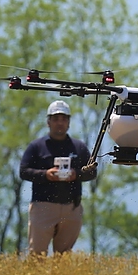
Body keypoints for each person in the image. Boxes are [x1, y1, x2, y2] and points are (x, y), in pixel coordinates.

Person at [19, 100, 97, 255]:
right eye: (55, 119)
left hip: (71, 207)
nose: (60, 123)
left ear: (69, 122)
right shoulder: (37, 147)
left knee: (64, 256)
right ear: (48, 122)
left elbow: (92, 171)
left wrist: (76, 174)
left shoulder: (79, 147)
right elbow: (23, 171)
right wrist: (45, 175)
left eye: (63, 119)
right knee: (37, 254)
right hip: (43, 206)